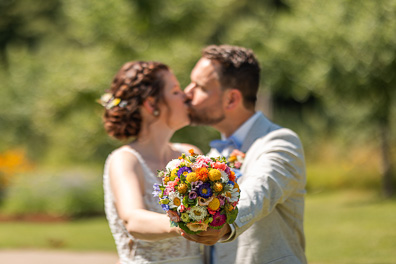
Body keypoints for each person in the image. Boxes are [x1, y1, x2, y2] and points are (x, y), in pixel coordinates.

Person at [182, 45, 307, 264]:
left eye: (200, 87)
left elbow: (260, 190)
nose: (187, 92)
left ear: (231, 99)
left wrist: (225, 222)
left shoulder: (280, 142)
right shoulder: (211, 154)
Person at [101, 61, 203, 264]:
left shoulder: (191, 154)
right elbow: (133, 219)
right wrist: (184, 224)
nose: (186, 96)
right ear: (151, 105)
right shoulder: (126, 160)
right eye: (175, 91)